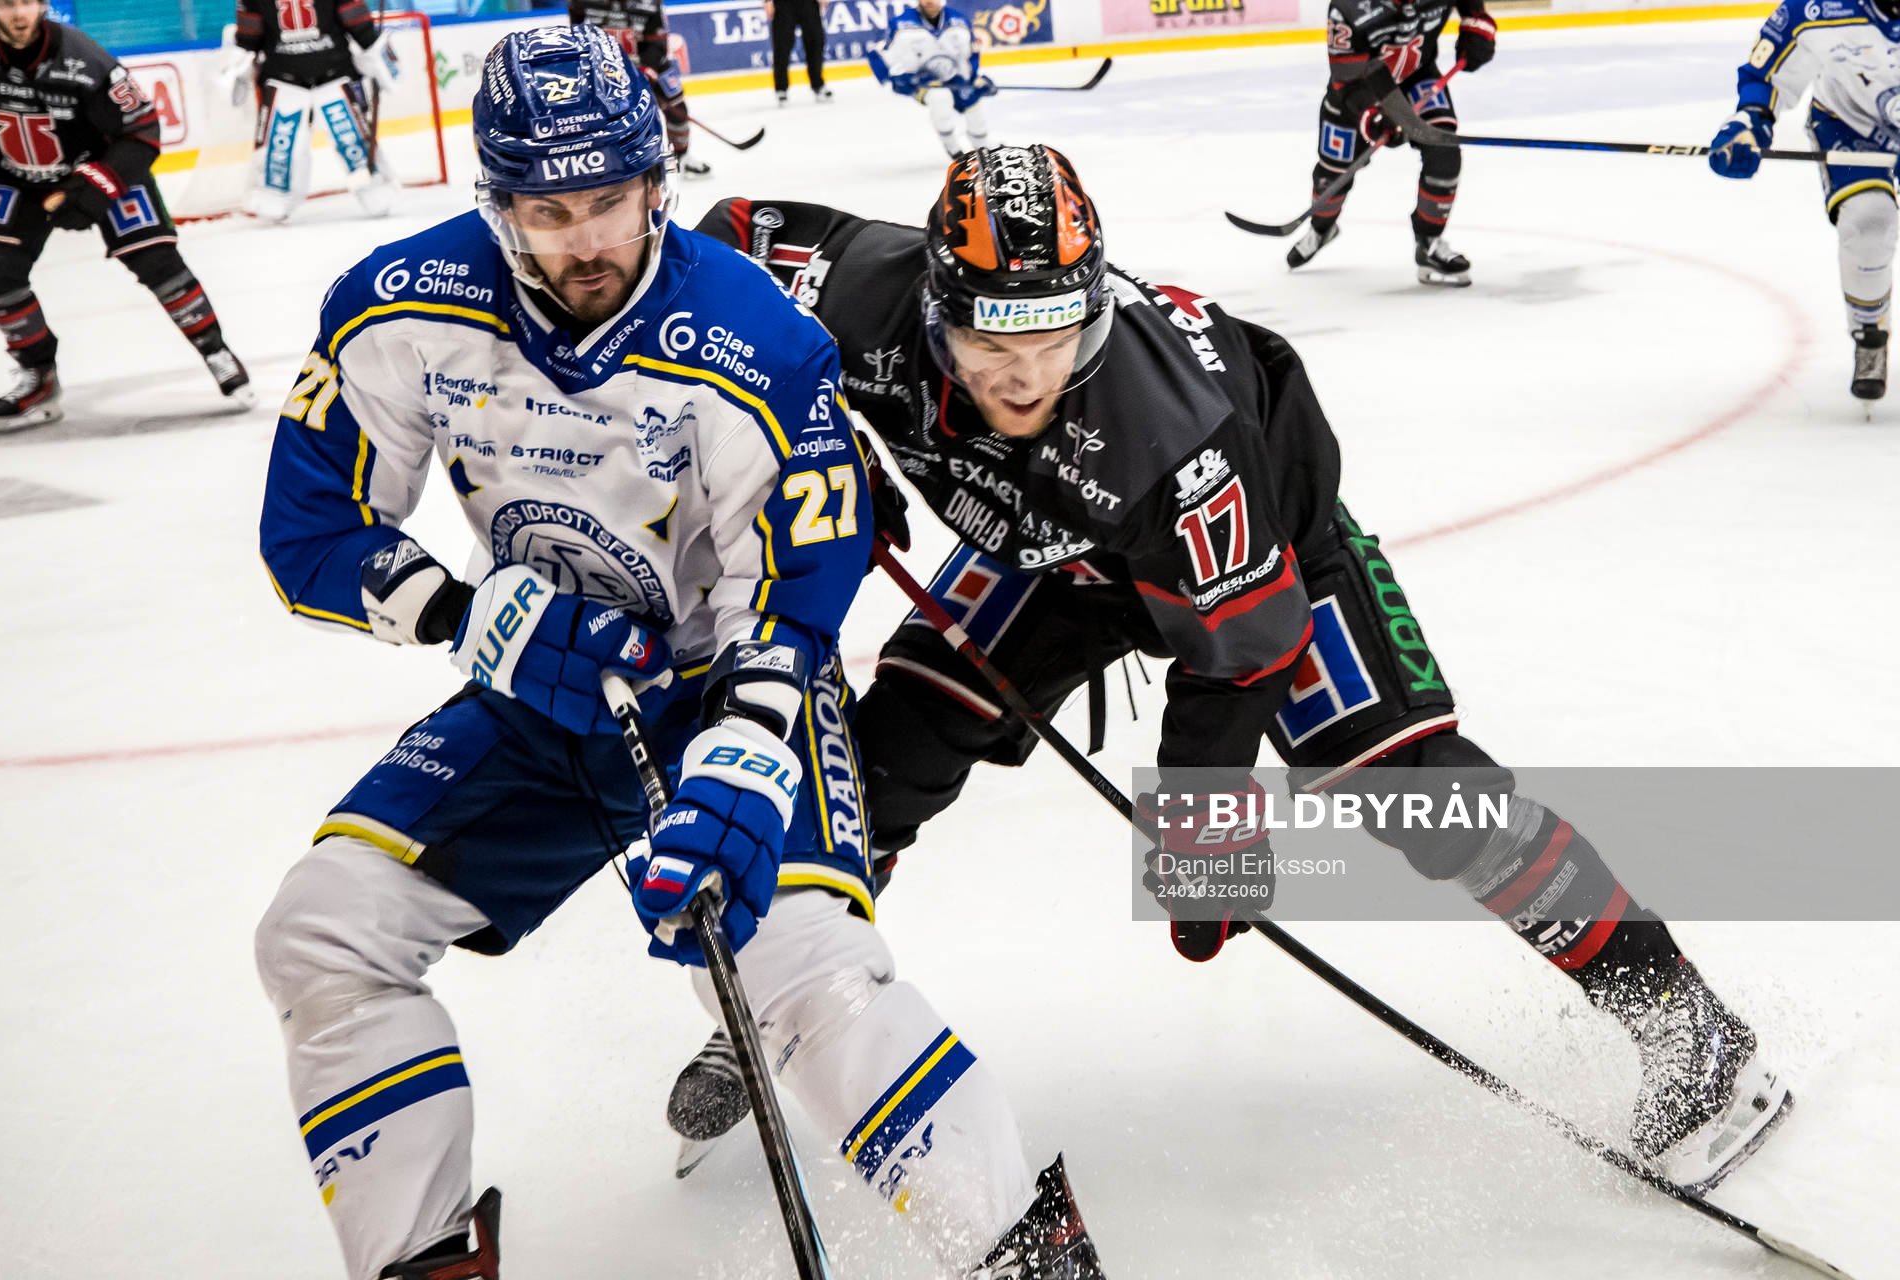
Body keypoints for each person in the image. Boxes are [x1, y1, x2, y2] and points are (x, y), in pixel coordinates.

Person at [666, 144, 1794, 1199]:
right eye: (992, 347)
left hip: (1260, 552)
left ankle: (1685, 1021)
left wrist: (1205, 849)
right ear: (934, 307)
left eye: (1057, 340)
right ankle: (786, 994)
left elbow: (1236, 657)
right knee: (883, 755)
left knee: (1416, 787)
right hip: (1055, 547)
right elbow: (716, 244)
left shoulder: (1177, 432)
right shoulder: (861, 289)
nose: (1025, 379)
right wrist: (816, 438)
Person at [254, 29, 1100, 1279]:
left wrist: (748, 753)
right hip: (537, 697)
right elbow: (311, 527)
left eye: (611, 201)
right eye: (548, 213)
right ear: (495, 204)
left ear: (659, 182)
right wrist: (463, 613)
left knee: (795, 967)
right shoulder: (398, 304)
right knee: (323, 929)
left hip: (724, 681)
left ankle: (1028, 1260)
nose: (586, 241)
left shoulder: (755, 336)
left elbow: (799, 583)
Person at [0, 0, 253, 432]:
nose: (19, 13)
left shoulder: (82, 57)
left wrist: (95, 190)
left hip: (103, 167)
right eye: (8, 3)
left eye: (27, 2)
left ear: (43, 4)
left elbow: (143, 129)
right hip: (21, 177)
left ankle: (214, 349)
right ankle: (38, 375)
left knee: (157, 261)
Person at [1710, 0, 1900, 399]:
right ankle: (1870, 333)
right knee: (1869, 219)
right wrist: (1748, 124)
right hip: (1850, 124)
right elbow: (1767, 74)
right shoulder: (1819, 9)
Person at [1287, 0, 1497, 285]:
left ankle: (1429, 242)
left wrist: (1477, 23)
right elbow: (1347, 81)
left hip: (1418, 76)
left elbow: (1472, 10)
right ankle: (1321, 228)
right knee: (1332, 176)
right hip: (1362, 90)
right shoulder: (1347, 8)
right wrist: (1375, 113)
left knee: (1444, 151)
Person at [218, 0, 400, 221]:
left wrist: (237, 60)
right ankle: (374, 189)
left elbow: (249, 37)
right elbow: (359, 24)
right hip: (316, 72)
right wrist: (375, 49)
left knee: (346, 140)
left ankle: (374, 187)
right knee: (293, 148)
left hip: (305, 74)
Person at [569, 0, 710, 177]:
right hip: (603, 66)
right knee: (594, 112)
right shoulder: (583, 2)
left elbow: (658, 43)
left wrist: (645, 66)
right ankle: (599, 161)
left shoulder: (650, 3)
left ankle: (682, 156)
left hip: (644, 63)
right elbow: (576, 33)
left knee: (676, 104)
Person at [866, 0, 993, 158]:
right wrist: (899, 78)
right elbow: (877, 54)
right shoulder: (900, 24)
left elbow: (970, 55)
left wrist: (975, 79)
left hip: (955, 79)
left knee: (973, 102)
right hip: (922, 83)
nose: (929, 1)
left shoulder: (960, 21)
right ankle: (954, 149)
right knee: (940, 98)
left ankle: (985, 149)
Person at [767, 0, 831, 105]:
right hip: (783, 4)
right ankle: (781, 88)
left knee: (815, 41)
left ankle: (818, 85)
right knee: (782, 45)